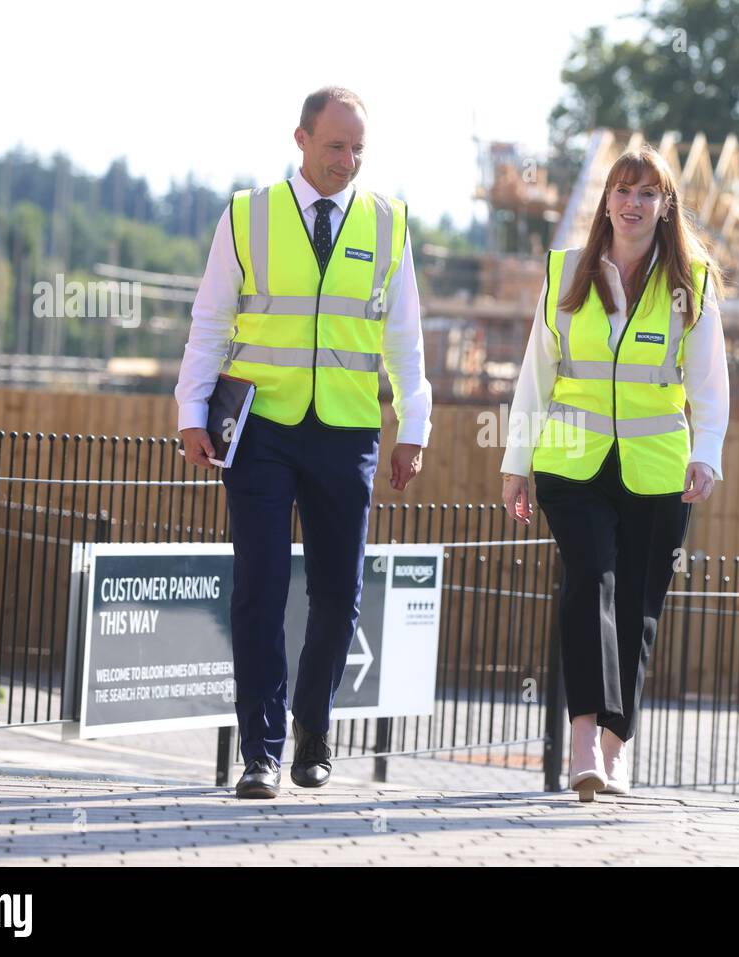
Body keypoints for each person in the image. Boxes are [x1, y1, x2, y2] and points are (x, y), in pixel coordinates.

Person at [175, 86, 432, 799]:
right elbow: (210, 319)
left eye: (357, 150)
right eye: (334, 147)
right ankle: (259, 750)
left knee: (339, 593)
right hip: (259, 429)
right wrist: (191, 411)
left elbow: (405, 339)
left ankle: (312, 733)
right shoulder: (247, 215)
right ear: (300, 139)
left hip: (346, 430)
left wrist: (414, 426)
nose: (347, 161)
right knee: (260, 584)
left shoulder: (390, 224)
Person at [500, 144, 729, 801]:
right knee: (589, 582)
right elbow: (535, 375)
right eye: (623, 191)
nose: (633, 204)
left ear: (665, 206)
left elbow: (710, 383)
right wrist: (516, 461)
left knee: (637, 605)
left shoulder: (692, 281)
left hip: (658, 470)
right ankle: (581, 741)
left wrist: (705, 452)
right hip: (571, 464)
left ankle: (614, 748)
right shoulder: (566, 272)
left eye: (647, 194)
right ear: (606, 200)